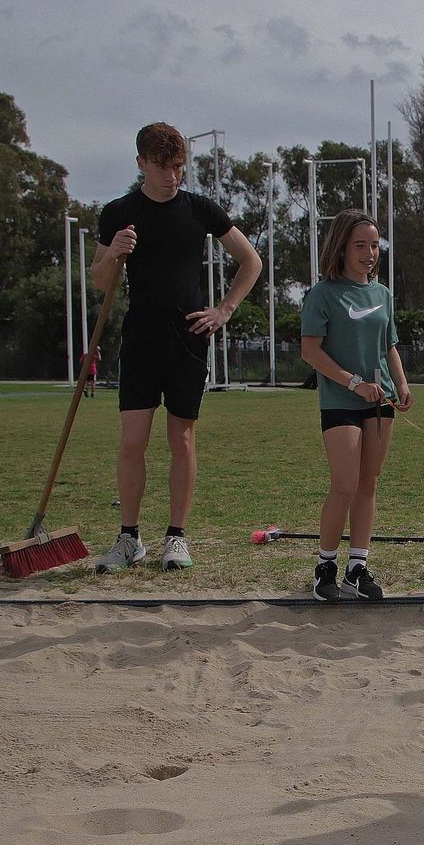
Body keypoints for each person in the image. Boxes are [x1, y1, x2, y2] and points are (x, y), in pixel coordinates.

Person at [90, 122, 262, 573]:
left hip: (187, 338)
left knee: (182, 437)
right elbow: (99, 281)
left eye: (179, 167)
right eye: (163, 167)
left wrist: (223, 309)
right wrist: (112, 254)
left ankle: (176, 537)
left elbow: (251, 260)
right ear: (141, 163)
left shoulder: (200, 209)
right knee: (132, 440)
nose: (173, 176)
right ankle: (129, 538)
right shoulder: (118, 213)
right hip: (140, 336)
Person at [300, 209, 413, 601]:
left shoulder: (381, 294)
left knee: (369, 485)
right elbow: (310, 351)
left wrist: (400, 382)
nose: (369, 253)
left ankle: (357, 568)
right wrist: (353, 383)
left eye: (374, 245)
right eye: (360, 245)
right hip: (340, 402)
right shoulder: (323, 294)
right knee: (344, 486)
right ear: (342, 248)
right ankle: (325, 567)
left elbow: (389, 344)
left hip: (379, 403)